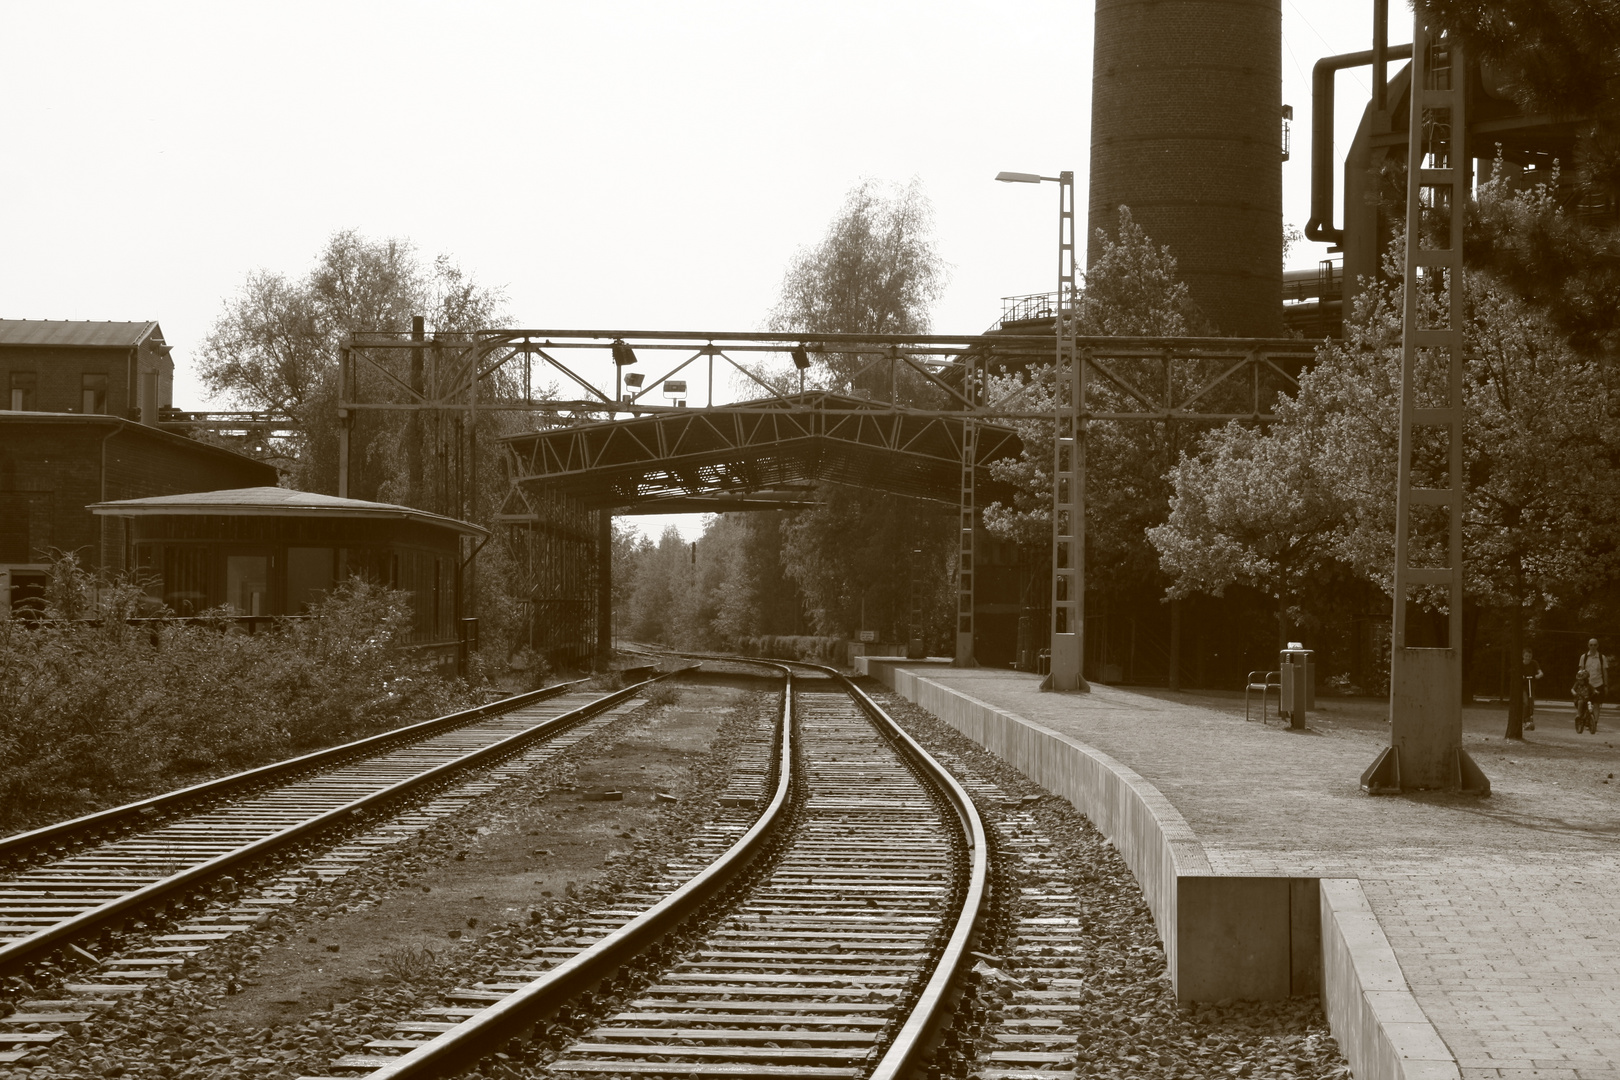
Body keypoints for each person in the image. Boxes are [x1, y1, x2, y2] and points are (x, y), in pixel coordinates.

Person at [1578, 638, 1608, 732]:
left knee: (1596, 704)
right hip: (1587, 685)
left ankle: (1594, 723)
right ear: (1588, 645)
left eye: (1595, 645)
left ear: (1598, 646)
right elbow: (1580, 671)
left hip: (1598, 684)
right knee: (1584, 703)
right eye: (1591, 645)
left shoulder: (1601, 657)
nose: (1593, 647)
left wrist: (1606, 685)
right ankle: (1585, 720)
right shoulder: (1584, 657)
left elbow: (1605, 672)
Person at [1523, 648, 1543, 731]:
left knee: (1531, 704)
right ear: (1523, 656)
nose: (1528, 658)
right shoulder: (1521, 664)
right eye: (1526, 656)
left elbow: (1540, 672)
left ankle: (1530, 720)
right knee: (1526, 702)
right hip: (1523, 687)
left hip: (1531, 686)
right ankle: (1525, 721)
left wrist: (1539, 675)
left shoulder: (1534, 663)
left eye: (1529, 656)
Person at [1574, 669, 1596, 734]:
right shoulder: (1577, 684)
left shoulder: (1588, 685)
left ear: (1586, 680)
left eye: (1582, 680)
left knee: (1591, 704)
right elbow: (1572, 689)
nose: (1580, 681)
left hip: (1587, 699)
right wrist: (1574, 693)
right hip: (1579, 699)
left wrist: (1595, 691)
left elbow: (1593, 689)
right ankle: (1579, 715)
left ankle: (1590, 720)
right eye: (1579, 680)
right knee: (1580, 702)